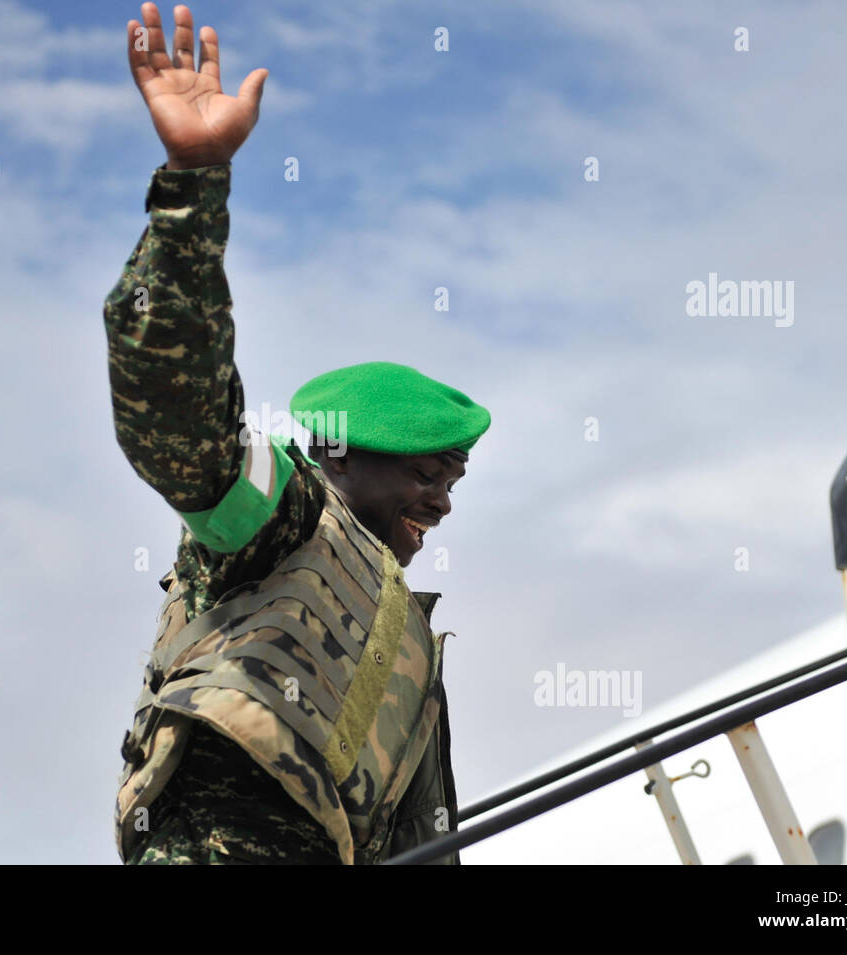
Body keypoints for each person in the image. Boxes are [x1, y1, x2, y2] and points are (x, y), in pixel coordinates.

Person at [104, 2, 491, 865]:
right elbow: (178, 414)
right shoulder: (276, 517)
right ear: (340, 451)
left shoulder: (410, 651)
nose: (442, 503)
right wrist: (192, 188)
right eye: (429, 473)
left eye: (454, 483)